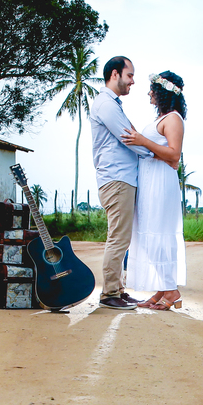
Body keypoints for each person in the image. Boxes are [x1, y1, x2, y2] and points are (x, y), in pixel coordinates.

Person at [87, 56, 152, 310]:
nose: (133, 81)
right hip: (117, 180)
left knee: (122, 238)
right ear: (115, 74)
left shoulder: (112, 104)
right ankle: (109, 293)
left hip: (121, 179)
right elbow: (129, 137)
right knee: (118, 238)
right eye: (130, 75)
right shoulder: (106, 104)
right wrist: (155, 153)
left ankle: (118, 289)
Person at [121, 71, 187, 311]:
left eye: (152, 89)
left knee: (157, 235)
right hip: (149, 182)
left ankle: (172, 291)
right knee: (149, 235)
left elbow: (174, 155)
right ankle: (163, 288)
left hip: (161, 183)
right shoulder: (162, 118)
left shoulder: (174, 119)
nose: (149, 93)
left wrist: (142, 140)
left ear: (162, 92)